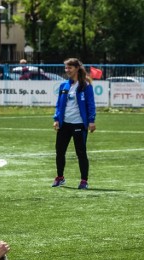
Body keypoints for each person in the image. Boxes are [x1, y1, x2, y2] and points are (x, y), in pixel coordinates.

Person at [52, 58, 96, 189]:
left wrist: (92, 120)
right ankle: (60, 177)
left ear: (77, 68)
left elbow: (90, 104)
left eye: (69, 68)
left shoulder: (85, 86)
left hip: (79, 124)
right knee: (59, 151)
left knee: (81, 153)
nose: (67, 70)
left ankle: (84, 181)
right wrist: (56, 119)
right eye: (66, 68)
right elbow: (59, 105)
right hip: (64, 124)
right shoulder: (64, 85)